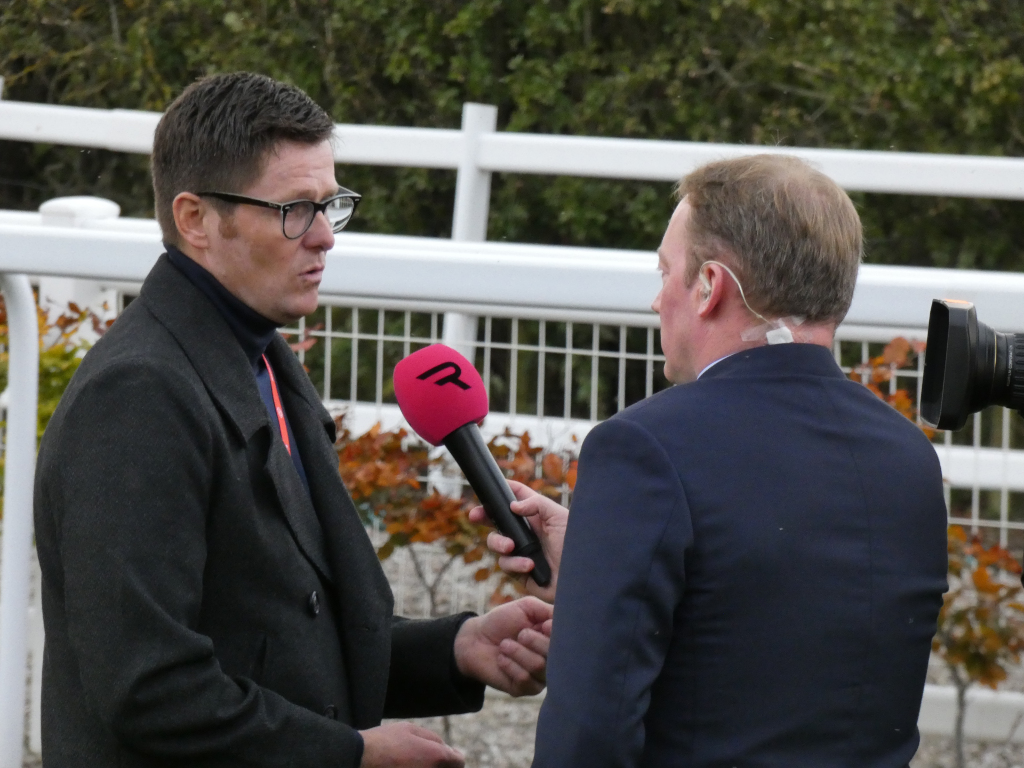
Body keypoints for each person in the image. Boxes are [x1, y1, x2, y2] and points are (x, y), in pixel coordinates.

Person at [34, 72, 552, 768]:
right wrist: (349, 755)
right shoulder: (138, 393)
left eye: (329, 205)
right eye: (293, 210)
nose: (323, 238)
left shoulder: (263, 357)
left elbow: (287, 641)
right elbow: (146, 686)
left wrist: (457, 650)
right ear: (195, 220)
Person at [472, 154, 949, 767]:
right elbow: (786, 629)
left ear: (709, 287)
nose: (655, 300)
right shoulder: (907, 455)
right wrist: (600, 565)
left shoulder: (646, 447)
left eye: (666, 270)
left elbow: (590, 732)